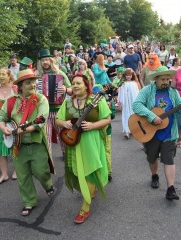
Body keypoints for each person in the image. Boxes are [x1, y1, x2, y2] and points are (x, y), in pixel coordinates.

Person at [0, 69, 55, 216]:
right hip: (18, 146)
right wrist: (3, 128)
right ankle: (29, 202)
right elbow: (0, 117)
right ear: (20, 86)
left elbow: (40, 120)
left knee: (41, 171)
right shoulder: (11, 101)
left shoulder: (41, 99)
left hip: (36, 143)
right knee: (22, 176)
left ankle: (47, 184)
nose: (33, 85)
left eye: (34, 82)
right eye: (29, 83)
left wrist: (23, 130)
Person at [55, 73, 111, 224]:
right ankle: (89, 191)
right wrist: (64, 123)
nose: (75, 85)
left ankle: (85, 208)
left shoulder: (96, 100)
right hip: (73, 143)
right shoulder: (67, 102)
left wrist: (93, 125)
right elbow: (58, 119)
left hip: (91, 143)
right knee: (77, 171)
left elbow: (107, 118)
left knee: (90, 172)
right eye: (73, 83)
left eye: (78, 83)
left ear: (86, 85)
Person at [132, 66, 181, 200]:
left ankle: (170, 189)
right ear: (156, 79)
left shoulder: (173, 92)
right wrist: (151, 116)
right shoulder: (147, 90)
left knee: (168, 159)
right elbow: (136, 105)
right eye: (163, 79)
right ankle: (154, 175)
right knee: (152, 158)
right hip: (150, 132)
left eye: (168, 79)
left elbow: (179, 108)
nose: (166, 82)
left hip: (169, 132)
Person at [35, 49, 72, 155]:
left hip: (58, 111)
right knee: (46, 137)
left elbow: (72, 90)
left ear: (51, 61)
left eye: (47, 60)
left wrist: (66, 89)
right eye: (43, 60)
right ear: (40, 63)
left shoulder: (60, 73)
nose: (45, 62)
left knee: (62, 135)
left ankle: (66, 155)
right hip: (44, 111)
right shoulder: (37, 76)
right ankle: (48, 161)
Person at [117, 68, 140, 139]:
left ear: (132, 75)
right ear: (125, 76)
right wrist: (120, 103)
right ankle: (127, 131)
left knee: (133, 115)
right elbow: (120, 93)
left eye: (130, 75)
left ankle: (133, 129)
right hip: (126, 103)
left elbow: (137, 94)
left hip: (133, 102)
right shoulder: (123, 84)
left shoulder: (135, 83)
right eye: (127, 75)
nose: (128, 77)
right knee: (126, 115)